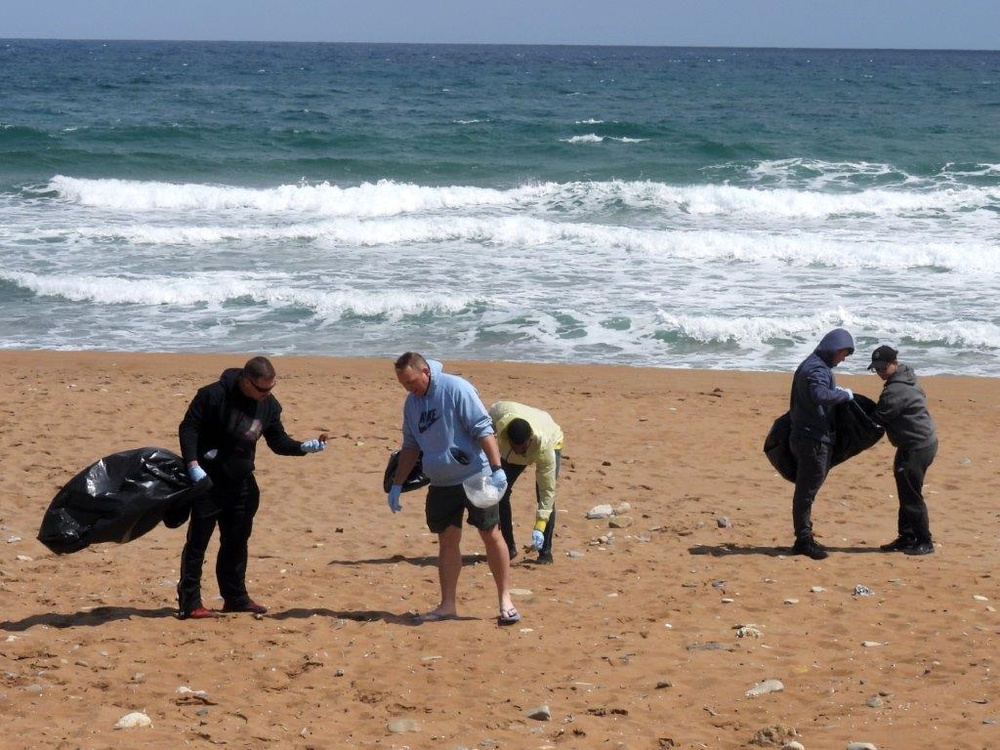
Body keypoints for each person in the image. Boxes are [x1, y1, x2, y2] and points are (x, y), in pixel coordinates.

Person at [176, 356, 327, 620]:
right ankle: (190, 603)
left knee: (236, 542)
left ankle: (235, 598)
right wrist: (192, 464)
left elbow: (278, 442)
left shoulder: (268, 406)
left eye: (271, 388)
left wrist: (302, 447)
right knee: (197, 544)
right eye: (262, 389)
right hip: (207, 482)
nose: (267, 394)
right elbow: (189, 427)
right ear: (246, 381)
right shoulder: (213, 395)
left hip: (242, 483)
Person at [386, 352, 520, 626]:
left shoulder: (456, 388)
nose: (409, 389)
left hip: (475, 474)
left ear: (425, 372)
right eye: (403, 385)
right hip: (441, 482)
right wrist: (397, 484)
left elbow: (483, 429)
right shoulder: (411, 404)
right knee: (447, 539)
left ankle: (505, 599)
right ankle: (448, 605)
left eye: (411, 382)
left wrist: (497, 469)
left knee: (490, 533)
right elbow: (410, 446)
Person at [788, 328, 856, 560]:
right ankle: (803, 539)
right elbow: (819, 394)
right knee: (806, 491)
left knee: (806, 489)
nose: (843, 359)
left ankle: (803, 536)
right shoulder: (816, 369)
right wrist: (843, 395)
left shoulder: (811, 364)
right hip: (812, 440)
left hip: (804, 435)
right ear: (835, 349)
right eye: (844, 354)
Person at [867, 345, 938, 556]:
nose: (879, 373)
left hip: (917, 446)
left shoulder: (897, 390)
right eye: (875, 369)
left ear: (893, 364)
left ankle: (925, 541)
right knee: (906, 490)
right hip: (922, 442)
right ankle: (907, 536)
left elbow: (877, 419)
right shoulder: (906, 376)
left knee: (911, 495)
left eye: (882, 368)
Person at [489, 400, 564, 564]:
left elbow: (547, 492)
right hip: (511, 444)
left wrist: (540, 526)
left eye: (523, 448)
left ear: (529, 440)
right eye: (517, 448)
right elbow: (481, 430)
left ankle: (545, 552)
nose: (521, 452)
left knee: (542, 495)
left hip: (551, 437)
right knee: (500, 491)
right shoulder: (500, 413)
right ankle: (508, 548)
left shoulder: (544, 448)